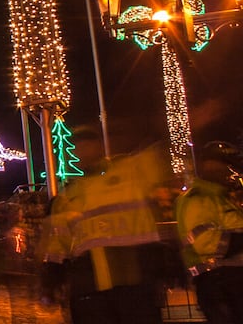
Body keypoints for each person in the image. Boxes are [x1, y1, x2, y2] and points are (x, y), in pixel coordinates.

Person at [40, 126, 166, 324]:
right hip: (91, 287)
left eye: (87, 145)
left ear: (100, 146)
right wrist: (51, 282)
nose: (82, 152)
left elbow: (157, 154)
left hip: (135, 282)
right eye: (78, 147)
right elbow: (57, 246)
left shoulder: (128, 173)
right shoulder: (67, 196)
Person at [176, 141, 243, 323]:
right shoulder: (199, 198)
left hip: (231, 284)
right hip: (219, 285)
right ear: (211, 164)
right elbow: (207, 243)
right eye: (229, 166)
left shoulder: (221, 197)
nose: (232, 173)